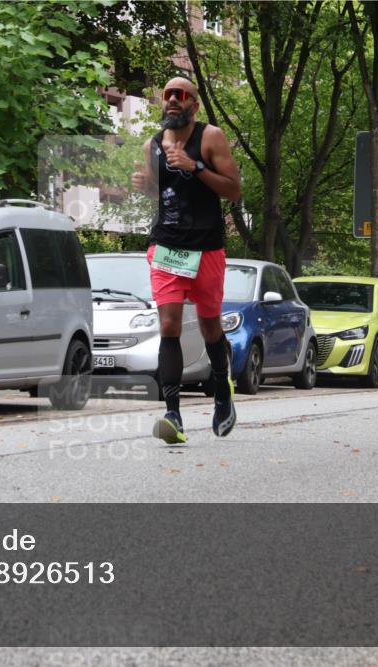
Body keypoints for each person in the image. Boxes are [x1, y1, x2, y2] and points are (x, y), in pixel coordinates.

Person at [131, 77, 242, 444]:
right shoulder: (152, 145)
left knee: (211, 325)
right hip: (166, 246)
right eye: (168, 95)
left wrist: (195, 167)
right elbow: (159, 192)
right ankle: (172, 414)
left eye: (182, 95)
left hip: (206, 247)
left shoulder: (210, 137)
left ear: (194, 104)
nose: (174, 100)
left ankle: (223, 395)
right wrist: (143, 185)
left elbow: (234, 190)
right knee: (168, 324)